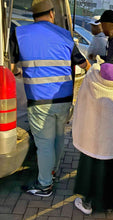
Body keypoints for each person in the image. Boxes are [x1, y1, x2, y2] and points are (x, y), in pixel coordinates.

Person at [9, 0, 89, 197]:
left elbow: (12, 68)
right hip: (64, 99)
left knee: (44, 143)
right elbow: (84, 64)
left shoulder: (20, 33)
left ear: (33, 15)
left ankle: (45, 185)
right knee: (58, 137)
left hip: (39, 100)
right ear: (52, 14)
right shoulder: (65, 35)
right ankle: (51, 173)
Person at [72, 11, 113, 215]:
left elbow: (82, 103)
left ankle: (89, 203)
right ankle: (109, 204)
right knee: (111, 169)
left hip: (94, 136)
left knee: (93, 169)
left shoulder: (94, 77)